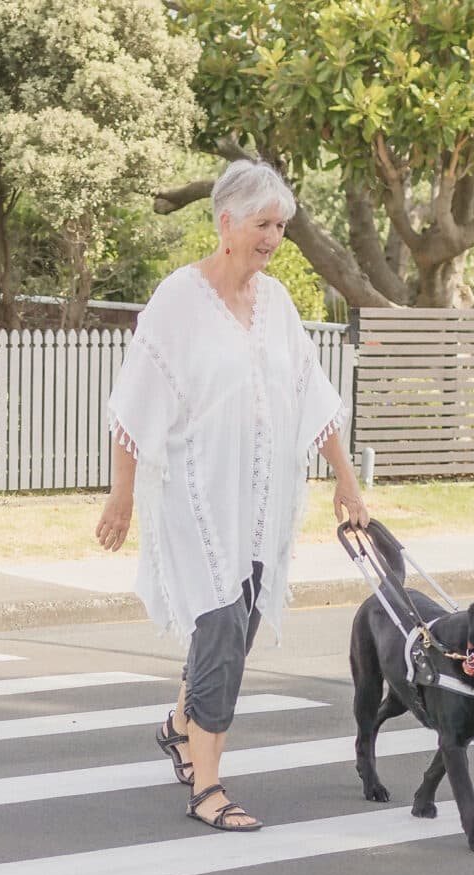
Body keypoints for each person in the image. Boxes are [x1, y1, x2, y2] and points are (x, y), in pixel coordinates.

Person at [94, 159, 370, 832]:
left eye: (281, 226)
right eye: (262, 224)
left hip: (262, 503)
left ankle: (179, 722)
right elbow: (135, 403)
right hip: (197, 497)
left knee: (238, 626)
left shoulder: (276, 304)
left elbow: (311, 392)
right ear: (225, 223)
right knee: (219, 626)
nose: (274, 238)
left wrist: (347, 478)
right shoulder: (177, 301)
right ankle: (207, 786)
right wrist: (121, 498)